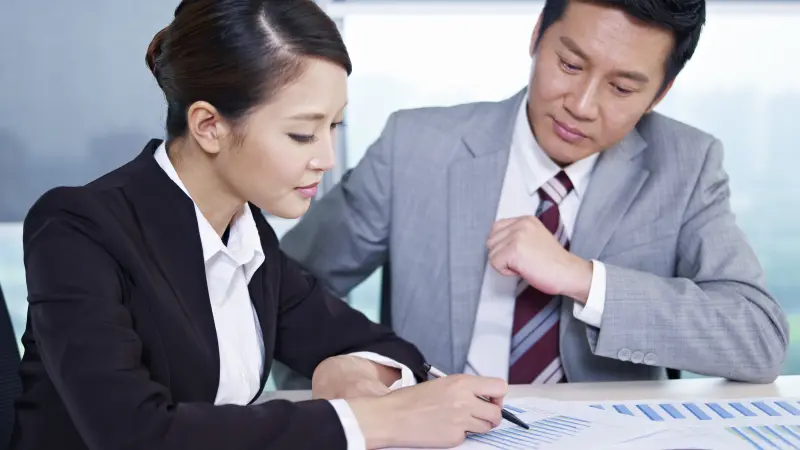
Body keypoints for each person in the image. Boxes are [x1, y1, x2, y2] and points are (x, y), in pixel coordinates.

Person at [10, 1, 509, 449]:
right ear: (210, 126)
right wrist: (370, 420)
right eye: (301, 134)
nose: (327, 159)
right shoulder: (77, 229)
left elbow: (386, 346)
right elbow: (133, 433)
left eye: (333, 127)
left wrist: (355, 368)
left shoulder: (246, 233)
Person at [282, 0, 790, 386]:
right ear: (536, 39)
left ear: (660, 92)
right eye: (569, 65)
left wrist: (584, 279)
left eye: (622, 88)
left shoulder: (687, 164)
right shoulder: (415, 147)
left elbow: (759, 339)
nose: (582, 106)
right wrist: (345, 374)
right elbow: (285, 289)